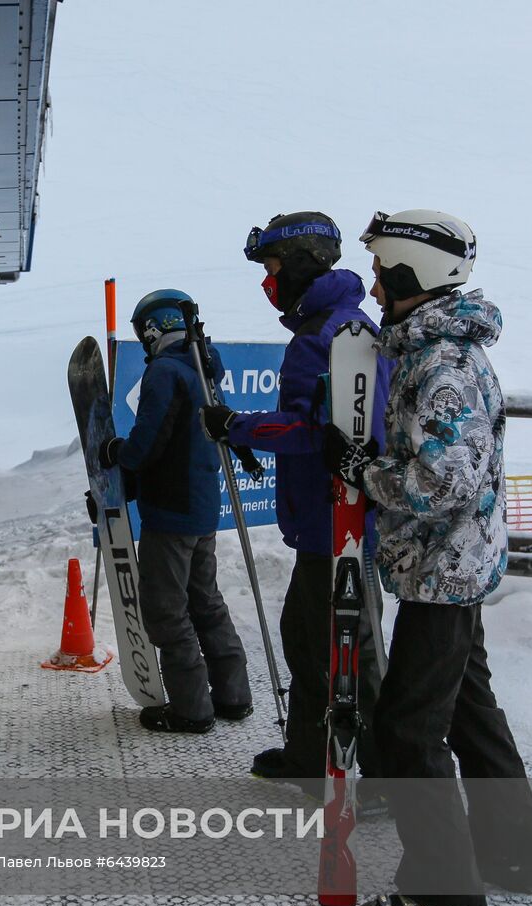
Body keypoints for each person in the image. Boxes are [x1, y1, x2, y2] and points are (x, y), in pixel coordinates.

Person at [325, 209, 532, 906]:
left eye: (380, 274)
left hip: (441, 571)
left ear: (405, 274)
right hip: (451, 564)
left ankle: (444, 895)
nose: (374, 288)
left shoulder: (441, 363)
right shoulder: (438, 348)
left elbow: (440, 481)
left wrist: (366, 472)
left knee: (408, 732)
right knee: (468, 712)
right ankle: (512, 856)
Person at [199, 212, 389, 791]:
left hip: (336, 520)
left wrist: (239, 426)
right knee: (309, 639)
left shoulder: (321, 337)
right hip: (336, 518)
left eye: (274, 267)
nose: (268, 281)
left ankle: (382, 777)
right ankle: (311, 752)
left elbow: (315, 432)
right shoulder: (348, 325)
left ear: (302, 264)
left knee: (347, 650)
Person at [96, 289, 252, 734]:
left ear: (152, 328)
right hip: (202, 504)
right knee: (205, 600)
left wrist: (116, 452)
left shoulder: (165, 372)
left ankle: (191, 709)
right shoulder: (203, 366)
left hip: (171, 509)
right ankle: (232, 695)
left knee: (167, 608)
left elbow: (148, 444)